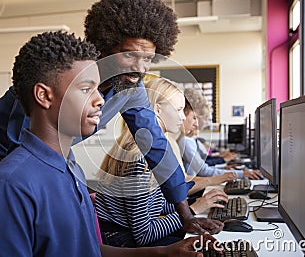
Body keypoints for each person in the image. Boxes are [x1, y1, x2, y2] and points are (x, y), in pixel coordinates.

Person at [0, 0, 218, 238]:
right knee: (1, 236)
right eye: (129, 55)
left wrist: (186, 215)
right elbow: (27, 142)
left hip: (48, 162)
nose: (139, 69)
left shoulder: (129, 86)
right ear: (105, 47)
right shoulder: (62, 73)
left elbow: (154, 143)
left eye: (148, 59)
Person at [96, 78, 227, 247]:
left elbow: (156, 205)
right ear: (157, 109)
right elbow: (144, 234)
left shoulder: (156, 150)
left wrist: (194, 208)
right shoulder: (139, 160)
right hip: (122, 241)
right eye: (179, 109)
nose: (182, 116)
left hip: (131, 235)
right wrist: (193, 211)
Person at [178, 88, 262, 179]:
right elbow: (203, 170)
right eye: (194, 118)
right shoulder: (185, 140)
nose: (198, 123)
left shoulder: (187, 139)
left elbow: (202, 165)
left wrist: (225, 169)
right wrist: (239, 174)